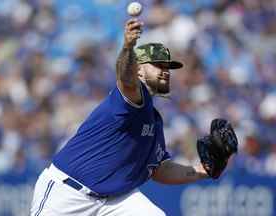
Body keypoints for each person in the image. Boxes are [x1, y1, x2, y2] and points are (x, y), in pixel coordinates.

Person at [30, 18, 237, 216]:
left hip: (114, 200)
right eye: (158, 65)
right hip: (68, 194)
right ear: (138, 70)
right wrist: (128, 47)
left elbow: (160, 170)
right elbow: (124, 77)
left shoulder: (154, 121)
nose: (165, 71)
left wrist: (202, 170)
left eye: (167, 67)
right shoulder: (131, 99)